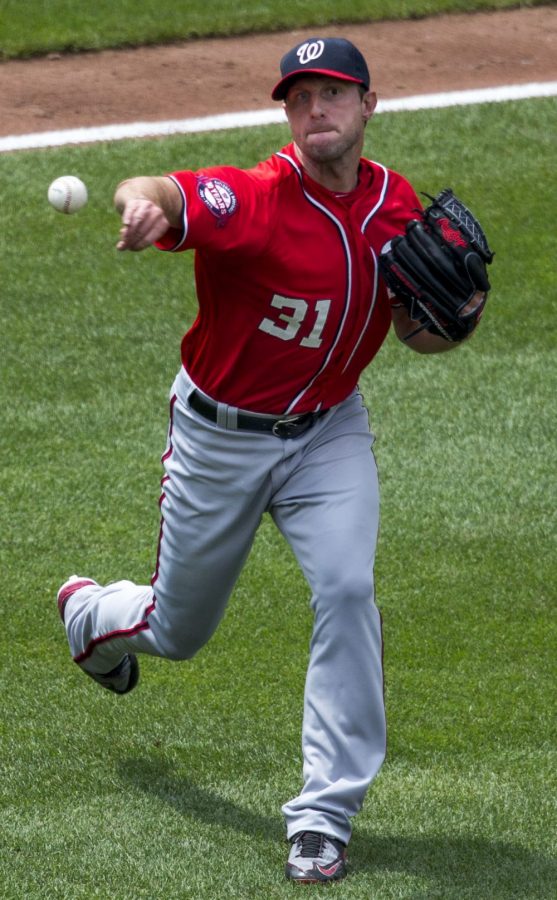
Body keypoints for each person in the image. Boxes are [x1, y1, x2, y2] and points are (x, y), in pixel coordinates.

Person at [57, 37, 484, 884]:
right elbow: (162, 190)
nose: (314, 109)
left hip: (329, 432)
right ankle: (88, 617)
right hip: (222, 438)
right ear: (287, 115)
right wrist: (139, 207)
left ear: (368, 105)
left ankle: (323, 816)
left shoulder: (396, 208)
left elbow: (414, 333)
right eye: (299, 98)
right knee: (178, 630)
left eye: (332, 94)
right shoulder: (253, 197)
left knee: (349, 589)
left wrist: (453, 318)